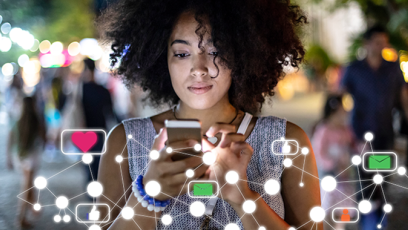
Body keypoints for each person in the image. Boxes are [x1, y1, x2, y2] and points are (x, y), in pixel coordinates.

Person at [96, 0, 321, 229]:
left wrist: (242, 197)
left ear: (242, 54)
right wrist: (148, 195)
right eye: (182, 54)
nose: (199, 68)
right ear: (162, 58)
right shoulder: (124, 141)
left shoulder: (285, 140)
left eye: (216, 51)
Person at [340, 25, 408, 230]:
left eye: (384, 42)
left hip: (384, 135)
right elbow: (340, 97)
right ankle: (366, 223)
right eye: (377, 42)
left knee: (382, 180)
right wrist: (341, 130)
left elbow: (403, 95)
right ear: (367, 43)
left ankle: (379, 221)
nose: (381, 46)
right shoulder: (354, 69)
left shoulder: (392, 68)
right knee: (364, 181)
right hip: (360, 136)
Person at [311, 94, 356, 229]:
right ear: (333, 113)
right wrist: (335, 164)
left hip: (344, 178)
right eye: (341, 112)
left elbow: (354, 145)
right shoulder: (323, 130)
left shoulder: (345, 129)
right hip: (328, 178)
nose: (344, 115)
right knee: (328, 208)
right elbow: (318, 154)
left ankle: (340, 227)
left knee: (346, 207)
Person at [6, 96, 46, 228]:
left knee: (28, 185)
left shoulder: (17, 120)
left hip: (19, 156)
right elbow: (43, 138)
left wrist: (9, 157)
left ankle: (30, 210)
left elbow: (10, 139)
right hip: (32, 158)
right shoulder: (36, 120)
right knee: (27, 186)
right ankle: (21, 217)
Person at [81, 58, 116, 185]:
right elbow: (111, 111)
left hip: (83, 133)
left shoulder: (79, 91)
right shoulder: (102, 90)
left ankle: (91, 193)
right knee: (99, 165)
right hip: (100, 131)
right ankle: (97, 193)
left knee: (88, 166)